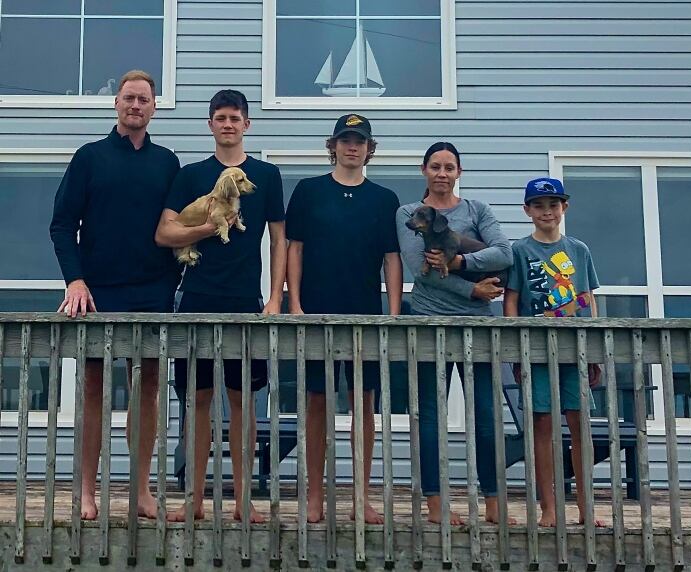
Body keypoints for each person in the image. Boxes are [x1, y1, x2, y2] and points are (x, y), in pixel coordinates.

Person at [50, 70, 180, 520]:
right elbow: (62, 224)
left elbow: (176, 228)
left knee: (148, 391)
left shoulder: (167, 162)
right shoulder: (89, 158)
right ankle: (86, 491)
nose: (136, 105)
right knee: (93, 391)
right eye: (129, 98)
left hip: (154, 291)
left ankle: (141, 492)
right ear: (116, 104)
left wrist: (176, 282)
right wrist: (75, 280)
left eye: (144, 99)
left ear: (154, 107)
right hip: (98, 293)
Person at [155, 89, 286, 523]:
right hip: (195, 299)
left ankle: (243, 501)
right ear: (210, 124)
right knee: (197, 400)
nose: (228, 125)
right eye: (220, 118)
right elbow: (165, 234)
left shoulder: (266, 175)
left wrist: (274, 297)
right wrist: (210, 229)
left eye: (235, 118)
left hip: (245, 302)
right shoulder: (191, 175)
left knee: (243, 400)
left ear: (247, 124)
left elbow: (281, 239)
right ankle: (193, 499)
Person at [285, 114, 403, 524]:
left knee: (363, 404)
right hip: (316, 309)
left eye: (360, 141)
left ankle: (361, 497)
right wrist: (294, 303)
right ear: (332, 145)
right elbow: (293, 248)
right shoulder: (308, 190)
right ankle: (314, 496)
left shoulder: (385, 199)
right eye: (345, 140)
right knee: (316, 401)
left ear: (370, 149)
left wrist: (392, 314)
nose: (352, 147)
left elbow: (392, 257)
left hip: (366, 314)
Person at [396, 142, 513, 524]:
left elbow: (504, 254)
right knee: (430, 416)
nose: (442, 173)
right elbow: (419, 269)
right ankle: (435, 506)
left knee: (486, 414)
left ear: (458, 172)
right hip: (430, 322)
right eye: (435, 166)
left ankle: (494, 505)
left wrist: (462, 261)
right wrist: (472, 288)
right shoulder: (409, 213)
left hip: (479, 327)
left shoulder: (477, 210)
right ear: (423, 171)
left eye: (449, 167)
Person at [502, 177, 605, 528]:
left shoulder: (579, 250)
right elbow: (511, 300)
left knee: (579, 425)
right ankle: (548, 506)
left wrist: (593, 351)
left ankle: (585, 507)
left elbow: (589, 300)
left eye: (553, 204)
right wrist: (516, 351)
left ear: (565, 208)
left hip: (574, 350)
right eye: (539, 205)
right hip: (535, 352)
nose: (547, 211)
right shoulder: (519, 250)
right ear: (527, 210)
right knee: (542, 425)